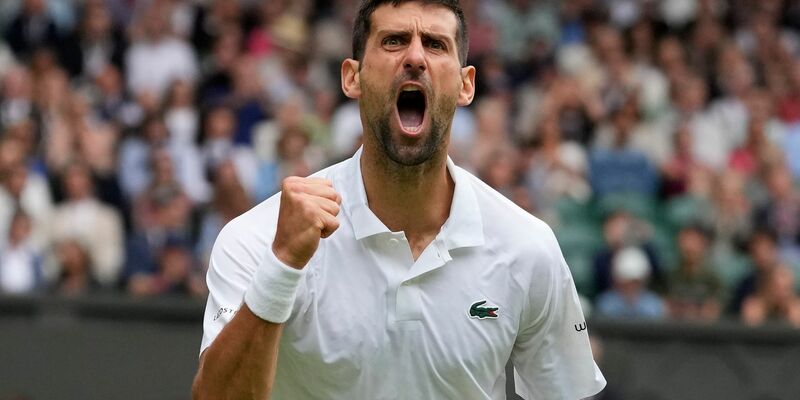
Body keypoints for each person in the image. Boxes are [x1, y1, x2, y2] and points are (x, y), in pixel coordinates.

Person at [192, 1, 605, 399]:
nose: (415, 57)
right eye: (393, 41)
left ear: (466, 85)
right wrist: (282, 267)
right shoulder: (260, 239)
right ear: (352, 77)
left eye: (436, 44)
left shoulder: (528, 246)